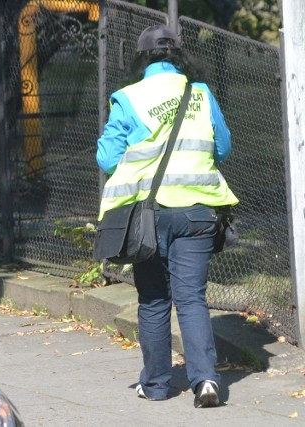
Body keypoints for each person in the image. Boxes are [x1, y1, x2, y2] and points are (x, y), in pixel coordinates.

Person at [95, 24, 239, 408]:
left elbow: (107, 159)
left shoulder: (128, 98)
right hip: (197, 212)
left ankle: (157, 385)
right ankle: (206, 380)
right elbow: (222, 149)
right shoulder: (202, 94)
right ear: (179, 56)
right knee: (192, 298)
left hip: (149, 215)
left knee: (154, 300)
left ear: (142, 58)